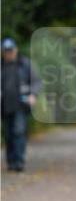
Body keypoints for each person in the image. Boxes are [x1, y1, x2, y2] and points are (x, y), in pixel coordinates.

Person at [1, 37, 40, 172]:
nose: (8, 53)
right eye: (6, 51)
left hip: (21, 104)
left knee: (18, 131)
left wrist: (33, 95)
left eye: (10, 50)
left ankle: (19, 161)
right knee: (8, 134)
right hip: (4, 106)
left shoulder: (25, 64)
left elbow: (36, 82)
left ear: (16, 50)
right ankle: (11, 162)